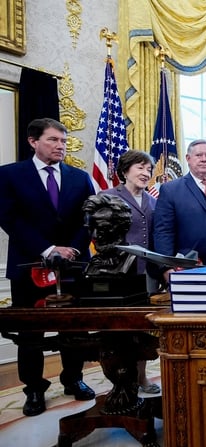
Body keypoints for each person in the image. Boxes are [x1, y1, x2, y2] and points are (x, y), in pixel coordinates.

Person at [0, 118, 96, 416]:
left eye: (64, 141)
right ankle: (34, 390)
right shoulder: (10, 175)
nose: (60, 146)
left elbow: (89, 218)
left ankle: (74, 379)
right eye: (54, 140)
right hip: (29, 265)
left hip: (73, 265)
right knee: (31, 334)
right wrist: (48, 248)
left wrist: (73, 249)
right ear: (33, 141)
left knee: (74, 330)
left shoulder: (79, 177)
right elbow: (9, 218)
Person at [99, 150, 161, 394]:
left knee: (141, 330)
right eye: (140, 168)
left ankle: (141, 378)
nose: (146, 173)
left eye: (149, 169)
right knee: (118, 331)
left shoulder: (154, 201)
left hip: (147, 275)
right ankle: (120, 382)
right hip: (117, 276)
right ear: (125, 171)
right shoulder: (107, 197)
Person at [153, 139, 206, 281]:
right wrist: (166, 267)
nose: (204, 159)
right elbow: (163, 231)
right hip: (188, 268)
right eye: (199, 155)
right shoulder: (171, 190)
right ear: (188, 159)